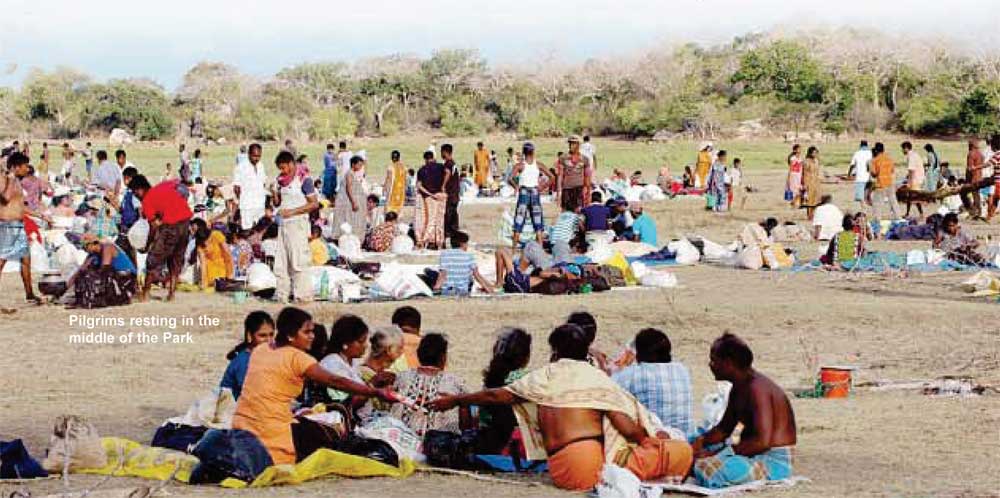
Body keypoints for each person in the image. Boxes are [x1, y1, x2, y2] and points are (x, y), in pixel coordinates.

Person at [429, 324, 693, 491]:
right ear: (585, 351)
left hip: (559, 469)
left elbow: (496, 395)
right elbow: (624, 424)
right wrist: (647, 441)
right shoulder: (596, 378)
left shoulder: (543, 376)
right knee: (681, 451)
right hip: (587, 465)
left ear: (555, 351)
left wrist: (454, 400)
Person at [232, 307, 395, 465]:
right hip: (271, 431)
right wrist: (374, 392)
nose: (312, 336)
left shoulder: (261, 349)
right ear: (290, 335)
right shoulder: (298, 358)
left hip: (241, 425)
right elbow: (335, 381)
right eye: (307, 332)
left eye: (312, 332)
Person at [691, 333, 796, 489]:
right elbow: (723, 429)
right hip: (747, 453)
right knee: (691, 442)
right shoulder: (739, 387)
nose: (710, 365)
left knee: (708, 468)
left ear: (728, 363)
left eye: (714, 360)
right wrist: (699, 443)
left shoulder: (758, 390)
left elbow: (762, 442)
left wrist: (719, 454)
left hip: (771, 462)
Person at [612, 328, 693, 437]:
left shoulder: (632, 374)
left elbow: (608, 388)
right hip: (684, 439)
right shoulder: (682, 370)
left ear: (639, 354)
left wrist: (622, 366)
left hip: (653, 440)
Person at [390, 333, 470, 436]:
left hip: (399, 439)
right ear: (443, 357)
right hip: (440, 443)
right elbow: (466, 424)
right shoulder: (457, 383)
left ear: (419, 355)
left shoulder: (401, 377)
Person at [129, 174, 192, 302]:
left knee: (152, 260)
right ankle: (171, 294)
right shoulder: (164, 185)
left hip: (171, 226)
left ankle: (145, 294)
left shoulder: (147, 201)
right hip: (185, 222)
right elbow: (181, 186)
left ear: (140, 189)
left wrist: (148, 245)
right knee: (175, 260)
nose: (136, 196)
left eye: (135, 192)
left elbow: (153, 228)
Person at [272, 151, 319, 303]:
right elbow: (278, 203)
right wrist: (274, 193)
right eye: (280, 168)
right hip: (284, 225)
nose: (282, 171)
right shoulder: (280, 180)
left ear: (291, 164)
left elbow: (314, 204)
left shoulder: (304, 180)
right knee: (282, 262)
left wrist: (292, 212)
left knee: (298, 261)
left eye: (284, 168)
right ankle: (282, 294)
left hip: (297, 224)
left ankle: (302, 295)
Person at [477, 327, 532, 454]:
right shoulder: (527, 379)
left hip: (489, 443)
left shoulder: (491, 379)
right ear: (526, 357)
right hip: (519, 445)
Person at [220, 311, 275, 400]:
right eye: (262, 336)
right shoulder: (243, 362)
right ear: (249, 335)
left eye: (271, 335)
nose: (269, 340)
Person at [510, 142, 555, 247]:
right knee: (537, 221)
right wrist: (542, 187)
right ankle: (540, 247)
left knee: (519, 220)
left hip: (524, 193)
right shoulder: (538, 165)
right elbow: (552, 177)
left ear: (523, 152)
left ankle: (513, 248)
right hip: (535, 193)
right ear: (533, 152)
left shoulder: (520, 165)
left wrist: (516, 187)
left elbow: (510, 178)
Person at [319, 314, 370, 405]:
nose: (366, 346)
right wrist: (373, 386)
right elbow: (346, 401)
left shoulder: (352, 362)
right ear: (345, 343)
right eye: (361, 342)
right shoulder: (332, 364)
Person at [434, 231, 494, 296]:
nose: (467, 246)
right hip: (462, 291)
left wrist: (436, 289)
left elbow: (443, 275)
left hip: (447, 290)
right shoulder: (469, 256)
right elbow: (477, 275)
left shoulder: (444, 254)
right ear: (462, 244)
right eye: (467, 243)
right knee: (470, 276)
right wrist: (489, 289)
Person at [416, 150, 449, 249]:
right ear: (433, 157)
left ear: (425, 159)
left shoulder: (422, 170)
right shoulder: (440, 166)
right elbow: (448, 172)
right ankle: (439, 241)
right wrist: (443, 185)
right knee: (440, 220)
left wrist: (429, 194)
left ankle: (425, 240)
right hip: (441, 195)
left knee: (430, 219)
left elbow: (419, 186)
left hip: (430, 197)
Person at [233, 143, 269, 230]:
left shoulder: (261, 166)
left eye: (259, 156)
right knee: (247, 230)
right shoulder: (241, 167)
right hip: (247, 206)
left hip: (260, 205)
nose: (257, 158)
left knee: (260, 230)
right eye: (254, 156)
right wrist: (241, 200)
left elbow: (263, 183)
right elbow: (237, 188)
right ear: (249, 154)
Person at [191, 218, 233, 291]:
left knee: (223, 283)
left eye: (193, 230)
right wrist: (204, 281)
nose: (192, 232)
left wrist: (230, 273)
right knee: (216, 284)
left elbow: (227, 254)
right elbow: (203, 263)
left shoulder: (216, 234)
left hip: (223, 266)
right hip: (210, 270)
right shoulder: (199, 243)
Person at [333, 155, 367, 239]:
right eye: (359, 165)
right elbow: (348, 188)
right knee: (348, 219)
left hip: (352, 200)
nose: (360, 167)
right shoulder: (349, 174)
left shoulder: (353, 174)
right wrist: (353, 202)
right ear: (353, 164)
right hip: (348, 201)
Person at [556, 136, 592, 212]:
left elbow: (587, 176)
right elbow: (560, 175)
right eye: (570, 143)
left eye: (573, 143)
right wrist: (559, 192)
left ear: (578, 144)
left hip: (579, 188)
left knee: (578, 211)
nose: (571, 145)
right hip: (566, 188)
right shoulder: (563, 158)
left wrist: (588, 192)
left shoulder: (585, 159)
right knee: (565, 211)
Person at [869, 142, 901, 222]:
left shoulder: (875, 160)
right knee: (893, 201)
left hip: (880, 184)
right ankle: (898, 217)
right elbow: (892, 170)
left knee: (877, 203)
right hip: (890, 183)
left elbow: (874, 174)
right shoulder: (889, 159)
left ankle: (877, 220)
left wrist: (870, 170)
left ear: (876, 150)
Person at [442, 144, 462, 238]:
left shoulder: (448, 163)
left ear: (445, 152)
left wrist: (443, 185)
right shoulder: (453, 163)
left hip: (450, 193)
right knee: (453, 213)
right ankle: (454, 231)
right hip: (455, 193)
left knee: (448, 213)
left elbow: (447, 173)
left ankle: (448, 233)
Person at [962, 139, 985, 219]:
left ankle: (972, 210)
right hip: (979, 177)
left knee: (963, 193)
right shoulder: (980, 154)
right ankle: (978, 211)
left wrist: (968, 180)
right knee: (976, 195)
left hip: (972, 178)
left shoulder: (971, 154)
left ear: (971, 145)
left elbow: (970, 168)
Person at [903, 141, 926, 218]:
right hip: (918, 178)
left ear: (906, 148)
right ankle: (907, 213)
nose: (902, 151)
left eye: (903, 149)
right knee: (910, 197)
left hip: (915, 179)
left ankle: (921, 213)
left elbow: (911, 170)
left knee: (914, 197)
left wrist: (910, 182)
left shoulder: (911, 156)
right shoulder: (914, 155)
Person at [801, 146, 822, 220]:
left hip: (816, 182)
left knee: (816, 200)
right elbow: (804, 173)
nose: (815, 154)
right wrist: (805, 184)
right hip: (808, 182)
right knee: (809, 200)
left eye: (816, 153)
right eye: (814, 153)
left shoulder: (816, 161)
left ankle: (814, 214)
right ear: (810, 153)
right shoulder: (806, 161)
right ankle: (809, 215)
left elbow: (818, 171)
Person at [850, 140, 872, 209]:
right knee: (867, 191)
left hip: (860, 176)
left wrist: (849, 173)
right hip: (869, 176)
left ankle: (863, 206)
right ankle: (869, 203)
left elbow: (852, 165)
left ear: (860, 145)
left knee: (860, 193)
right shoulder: (870, 153)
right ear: (867, 145)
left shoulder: (857, 153)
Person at [786, 144, 803, 208]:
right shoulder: (792, 158)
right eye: (798, 149)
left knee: (799, 190)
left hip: (799, 175)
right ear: (795, 150)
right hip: (793, 176)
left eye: (800, 149)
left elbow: (801, 168)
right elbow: (790, 168)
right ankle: (793, 203)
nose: (800, 150)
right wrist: (788, 178)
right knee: (795, 190)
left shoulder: (801, 158)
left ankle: (793, 203)